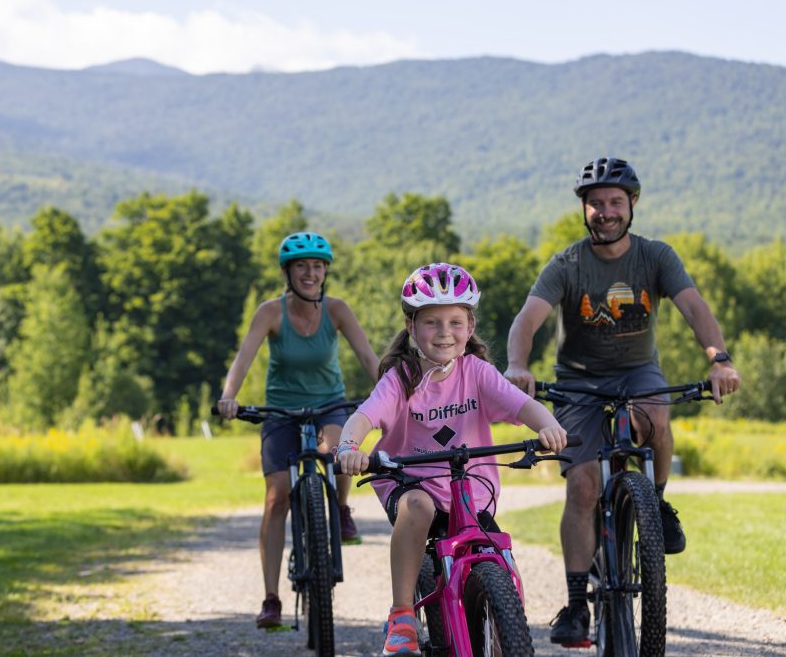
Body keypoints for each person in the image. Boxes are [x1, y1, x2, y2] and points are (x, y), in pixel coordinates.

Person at [503, 156, 742, 646]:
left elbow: (694, 306)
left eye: (615, 202)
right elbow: (527, 319)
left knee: (656, 413)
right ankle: (575, 605)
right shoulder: (566, 264)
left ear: (632, 205)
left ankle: (655, 504)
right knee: (583, 486)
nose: (606, 211)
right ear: (585, 209)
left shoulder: (655, 257)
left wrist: (720, 358)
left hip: (638, 373)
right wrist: (518, 366)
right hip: (578, 382)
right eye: (596, 204)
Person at [337, 262, 568, 657]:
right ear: (411, 327)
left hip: (468, 489)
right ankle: (403, 616)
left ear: (470, 325)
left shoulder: (477, 372)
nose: (444, 332)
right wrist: (348, 447)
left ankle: (504, 628)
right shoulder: (401, 377)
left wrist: (549, 426)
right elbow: (365, 416)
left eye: (455, 321)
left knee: (497, 555)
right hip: (408, 482)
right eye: (431, 322)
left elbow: (523, 404)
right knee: (419, 505)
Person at [217, 231, 380, 629]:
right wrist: (229, 396)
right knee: (276, 499)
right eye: (302, 266)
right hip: (281, 412)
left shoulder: (338, 310)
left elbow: (366, 356)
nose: (311, 273)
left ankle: (341, 511)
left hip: (330, 404)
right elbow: (243, 358)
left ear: (326, 272)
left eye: (317, 266)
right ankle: (271, 598)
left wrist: (393, 395)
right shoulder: (270, 313)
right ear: (287, 272)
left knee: (340, 451)